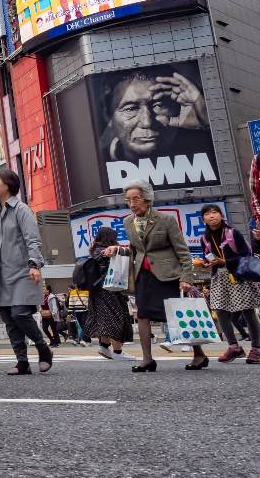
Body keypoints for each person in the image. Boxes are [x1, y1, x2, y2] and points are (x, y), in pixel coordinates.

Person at [106, 180, 208, 372]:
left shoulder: (165, 219)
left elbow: (183, 251)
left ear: (147, 198)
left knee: (178, 315)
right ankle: (147, 359)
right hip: (143, 276)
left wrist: (186, 277)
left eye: (136, 198)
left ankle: (199, 354)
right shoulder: (128, 221)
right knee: (143, 314)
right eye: (128, 200)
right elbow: (137, 250)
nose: (132, 203)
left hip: (168, 275)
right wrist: (118, 250)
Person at [0, 169, 51, 376]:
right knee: (8, 319)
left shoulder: (22, 209)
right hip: (0, 274)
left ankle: (43, 347)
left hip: (23, 271)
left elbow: (33, 239)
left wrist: (34, 264)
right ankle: (21, 361)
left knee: (20, 313)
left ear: (7, 185)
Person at [99, 68, 211, 165]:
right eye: (130, 109)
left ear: (179, 108)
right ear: (108, 115)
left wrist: (209, 123)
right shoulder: (96, 167)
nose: (147, 122)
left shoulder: (207, 149)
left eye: (160, 105)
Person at [200, 204, 260, 364]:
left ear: (221, 215)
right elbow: (208, 256)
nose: (211, 216)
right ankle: (234, 347)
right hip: (219, 277)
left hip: (237, 275)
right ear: (203, 219)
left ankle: (257, 349)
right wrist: (206, 263)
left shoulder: (233, 233)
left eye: (214, 212)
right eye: (207, 214)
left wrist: (225, 261)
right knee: (219, 310)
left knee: (247, 311)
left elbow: (246, 255)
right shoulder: (204, 238)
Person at [82, 228, 135, 360]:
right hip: (110, 289)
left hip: (96, 291)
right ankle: (118, 352)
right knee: (118, 317)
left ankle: (104, 346)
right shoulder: (108, 251)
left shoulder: (94, 250)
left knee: (104, 318)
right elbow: (128, 256)